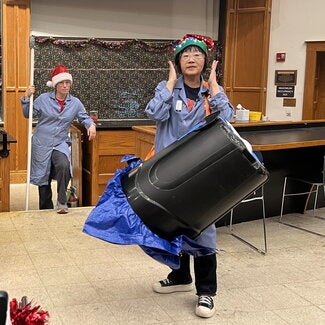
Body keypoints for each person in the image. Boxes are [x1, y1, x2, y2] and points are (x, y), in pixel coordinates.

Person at [145, 34, 234, 318]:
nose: (191, 58)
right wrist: (170, 83)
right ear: (178, 62)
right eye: (185, 55)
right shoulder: (166, 89)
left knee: (203, 229)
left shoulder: (212, 92)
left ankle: (207, 292)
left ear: (205, 61)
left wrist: (216, 88)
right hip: (168, 172)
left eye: (197, 54)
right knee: (174, 227)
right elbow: (154, 112)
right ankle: (181, 276)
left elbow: (227, 117)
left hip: (200, 174)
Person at [21, 65, 96, 214]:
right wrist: (26, 97)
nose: (65, 85)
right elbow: (27, 114)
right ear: (55, 85)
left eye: (68, 82)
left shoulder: (75, 103)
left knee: (63, 165)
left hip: (60, 142)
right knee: (43, 176)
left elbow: (84, 117)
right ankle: (45, 207)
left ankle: (62, 201)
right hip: (42, 142)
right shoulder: (43, 99)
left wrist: (91, 125)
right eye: (62, 83)